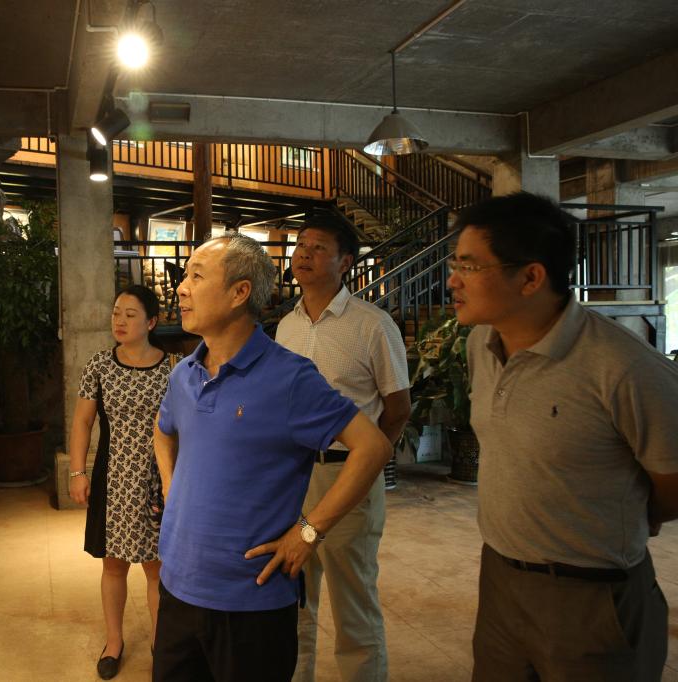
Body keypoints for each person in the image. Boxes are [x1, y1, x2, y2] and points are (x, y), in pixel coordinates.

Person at [448, 192, 678, 681]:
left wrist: (631, 516)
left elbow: (674, 481)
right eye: (455, 264)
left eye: (469, 266)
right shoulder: (481, 343)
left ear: (531, 277)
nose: (453, 280)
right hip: (500, 581)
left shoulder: (623, 367)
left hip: (591, 597)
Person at [152, 234, 392, 682]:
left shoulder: (290, 377)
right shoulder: (183, 373)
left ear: (239, 292)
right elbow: (163, 430)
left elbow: (373, 446)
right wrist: (171, 486)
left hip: (252, 602)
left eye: (196, 277)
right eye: (185, 277)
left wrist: (309, 531)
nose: (181, 288)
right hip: (178, 588)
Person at [277, 214, 410, 682]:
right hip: (294, 479)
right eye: (301, 245)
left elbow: (398, 408)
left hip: (347, 476)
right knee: (294, 598)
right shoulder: (285, 327)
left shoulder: (372, 325)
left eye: (318, 247)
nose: (304, 254)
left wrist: (366, 464)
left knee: (353, 603)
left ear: (346, 262)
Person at [68, 285, 176, 680]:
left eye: (131, 315)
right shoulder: (99, 365)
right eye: (116, 313)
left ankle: (160, 646)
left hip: (159, 480)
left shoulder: (174, 367)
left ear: (151, 322)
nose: (120, 321)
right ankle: (113, 642)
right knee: (113, 566)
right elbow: (82, 422)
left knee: (157, 569)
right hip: (112, 480)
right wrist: (77, 472)